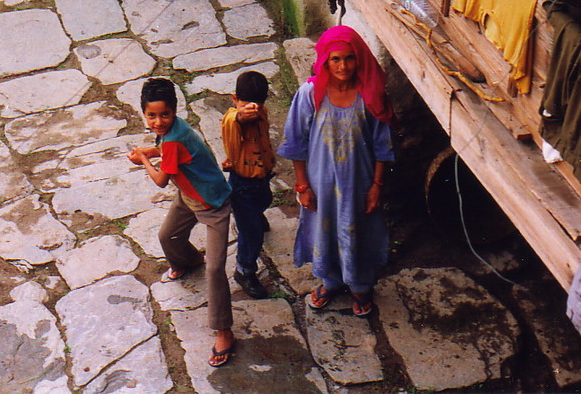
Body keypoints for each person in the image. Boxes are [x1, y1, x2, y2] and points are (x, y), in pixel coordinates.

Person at [278, 25, 395, 317]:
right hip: (321, 183)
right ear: (325, 62)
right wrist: (303, 186)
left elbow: (383, 144)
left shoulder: (370, 94)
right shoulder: (310, 94)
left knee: (359, 231)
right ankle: (330, 281)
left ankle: (359, 286)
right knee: (324, 230)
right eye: (335, 59)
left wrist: (377, 185)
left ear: (359, 59)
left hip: (360, 182)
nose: (343, 66)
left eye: (349, 58)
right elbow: (296, 142)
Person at [127, 77, 235, 367]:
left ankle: (224, 332)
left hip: (212, 204)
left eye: (164, 115)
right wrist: (149, 152)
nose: (158, 121)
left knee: (215, 269)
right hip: (188, 195)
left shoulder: (174, 138)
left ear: (174, 111)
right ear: (144, 114)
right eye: (151, 115)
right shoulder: (171, 133)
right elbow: (166, 151)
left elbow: (161, 179)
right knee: (168, 236)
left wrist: (144, 161)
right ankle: (188, 260)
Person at [221, 71, 276, 299]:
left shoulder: (261, 112)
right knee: (251, 233)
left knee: (266, 200)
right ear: (235, 100)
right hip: (241, 185)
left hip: (261, 178)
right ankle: (244, 270)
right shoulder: (232, 119)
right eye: (245, 104)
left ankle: (254, 215)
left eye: (257, 103)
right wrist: (240, 116)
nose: (251, 109)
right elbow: (234, 121)